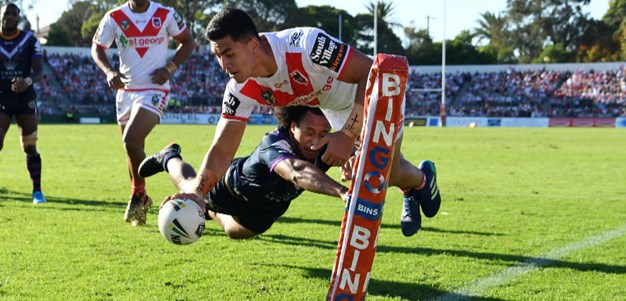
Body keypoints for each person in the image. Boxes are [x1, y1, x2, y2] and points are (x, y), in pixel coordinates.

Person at [187, 8, 440, 236]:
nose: (224, 65)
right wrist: (198, 192)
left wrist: (348, 134)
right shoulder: (239, 88)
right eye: (218, 56)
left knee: (382, 172)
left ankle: (418, 180)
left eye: (229, 54)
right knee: (380, 172)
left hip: (373, 92)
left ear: (253, 44)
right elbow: (221, 150)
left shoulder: (307, 45)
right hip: (333, 108)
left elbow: (369, 72)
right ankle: (417, 183)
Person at [139, 106, 349, 238]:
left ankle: (209, 211)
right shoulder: (274, 142)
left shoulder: (328, 146)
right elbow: (295, 171)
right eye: (309, 132)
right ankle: (169, 157)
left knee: (234, 232)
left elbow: (373, 166)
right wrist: (342, 191)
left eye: (323, 133)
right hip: (230, 190)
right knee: (190, 186)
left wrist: (361, 166)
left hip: (267, 210)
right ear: (293, 127)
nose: (316, 141)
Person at [91, 0, 195, 226]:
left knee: (131, 139)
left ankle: (139, 194)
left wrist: (170, 68)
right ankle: (141, 200)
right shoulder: (114, 17)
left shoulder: (165, 14)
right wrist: (109, 71)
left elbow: (188, 41)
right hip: (125, 91)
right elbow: (97, 47)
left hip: (153, 90)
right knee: (131, 149)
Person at [0, 3, 46, 205]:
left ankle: (37, 192)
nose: (9, 16)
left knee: (29, 147)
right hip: (1, 96)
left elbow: (39, 71)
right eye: (5, 13)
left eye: (13, 14)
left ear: (18, 18)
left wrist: (25, 81)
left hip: (24, 96)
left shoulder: (29, 40)